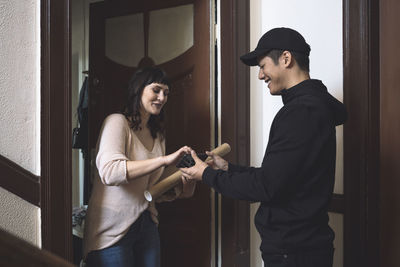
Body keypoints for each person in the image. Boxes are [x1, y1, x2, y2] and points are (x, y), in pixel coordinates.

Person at [180, 27, 347, 267]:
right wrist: (228, 168)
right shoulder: (311, 108)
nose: (260, 75)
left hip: (294, 252)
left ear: (286, 59)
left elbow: (266, 187)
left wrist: (205, 174)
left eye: (263, 66)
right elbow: (279, 178)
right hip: (301, 248)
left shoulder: (300, 112)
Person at [83, 67, 196, 267]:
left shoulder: (157, 134)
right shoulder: (116, 122)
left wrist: (188, 177)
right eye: (156, 90)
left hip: (147, 221)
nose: (162, 97)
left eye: (166, 93)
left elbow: (152, 186)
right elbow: (110, 172)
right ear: (138, 89)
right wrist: (163, 160)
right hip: (111, 230)